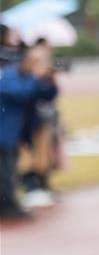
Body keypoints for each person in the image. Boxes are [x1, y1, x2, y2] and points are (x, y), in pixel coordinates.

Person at [0, 45, 58, 220]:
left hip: (17, 131)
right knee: (6, 169)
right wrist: (37, 78)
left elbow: (47, 95)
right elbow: (20, 93)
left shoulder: (29, 78)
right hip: (4, 130)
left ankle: (9, 202)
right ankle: (6, 205)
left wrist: (50, 80)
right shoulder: (10, 74)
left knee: (10, 168)